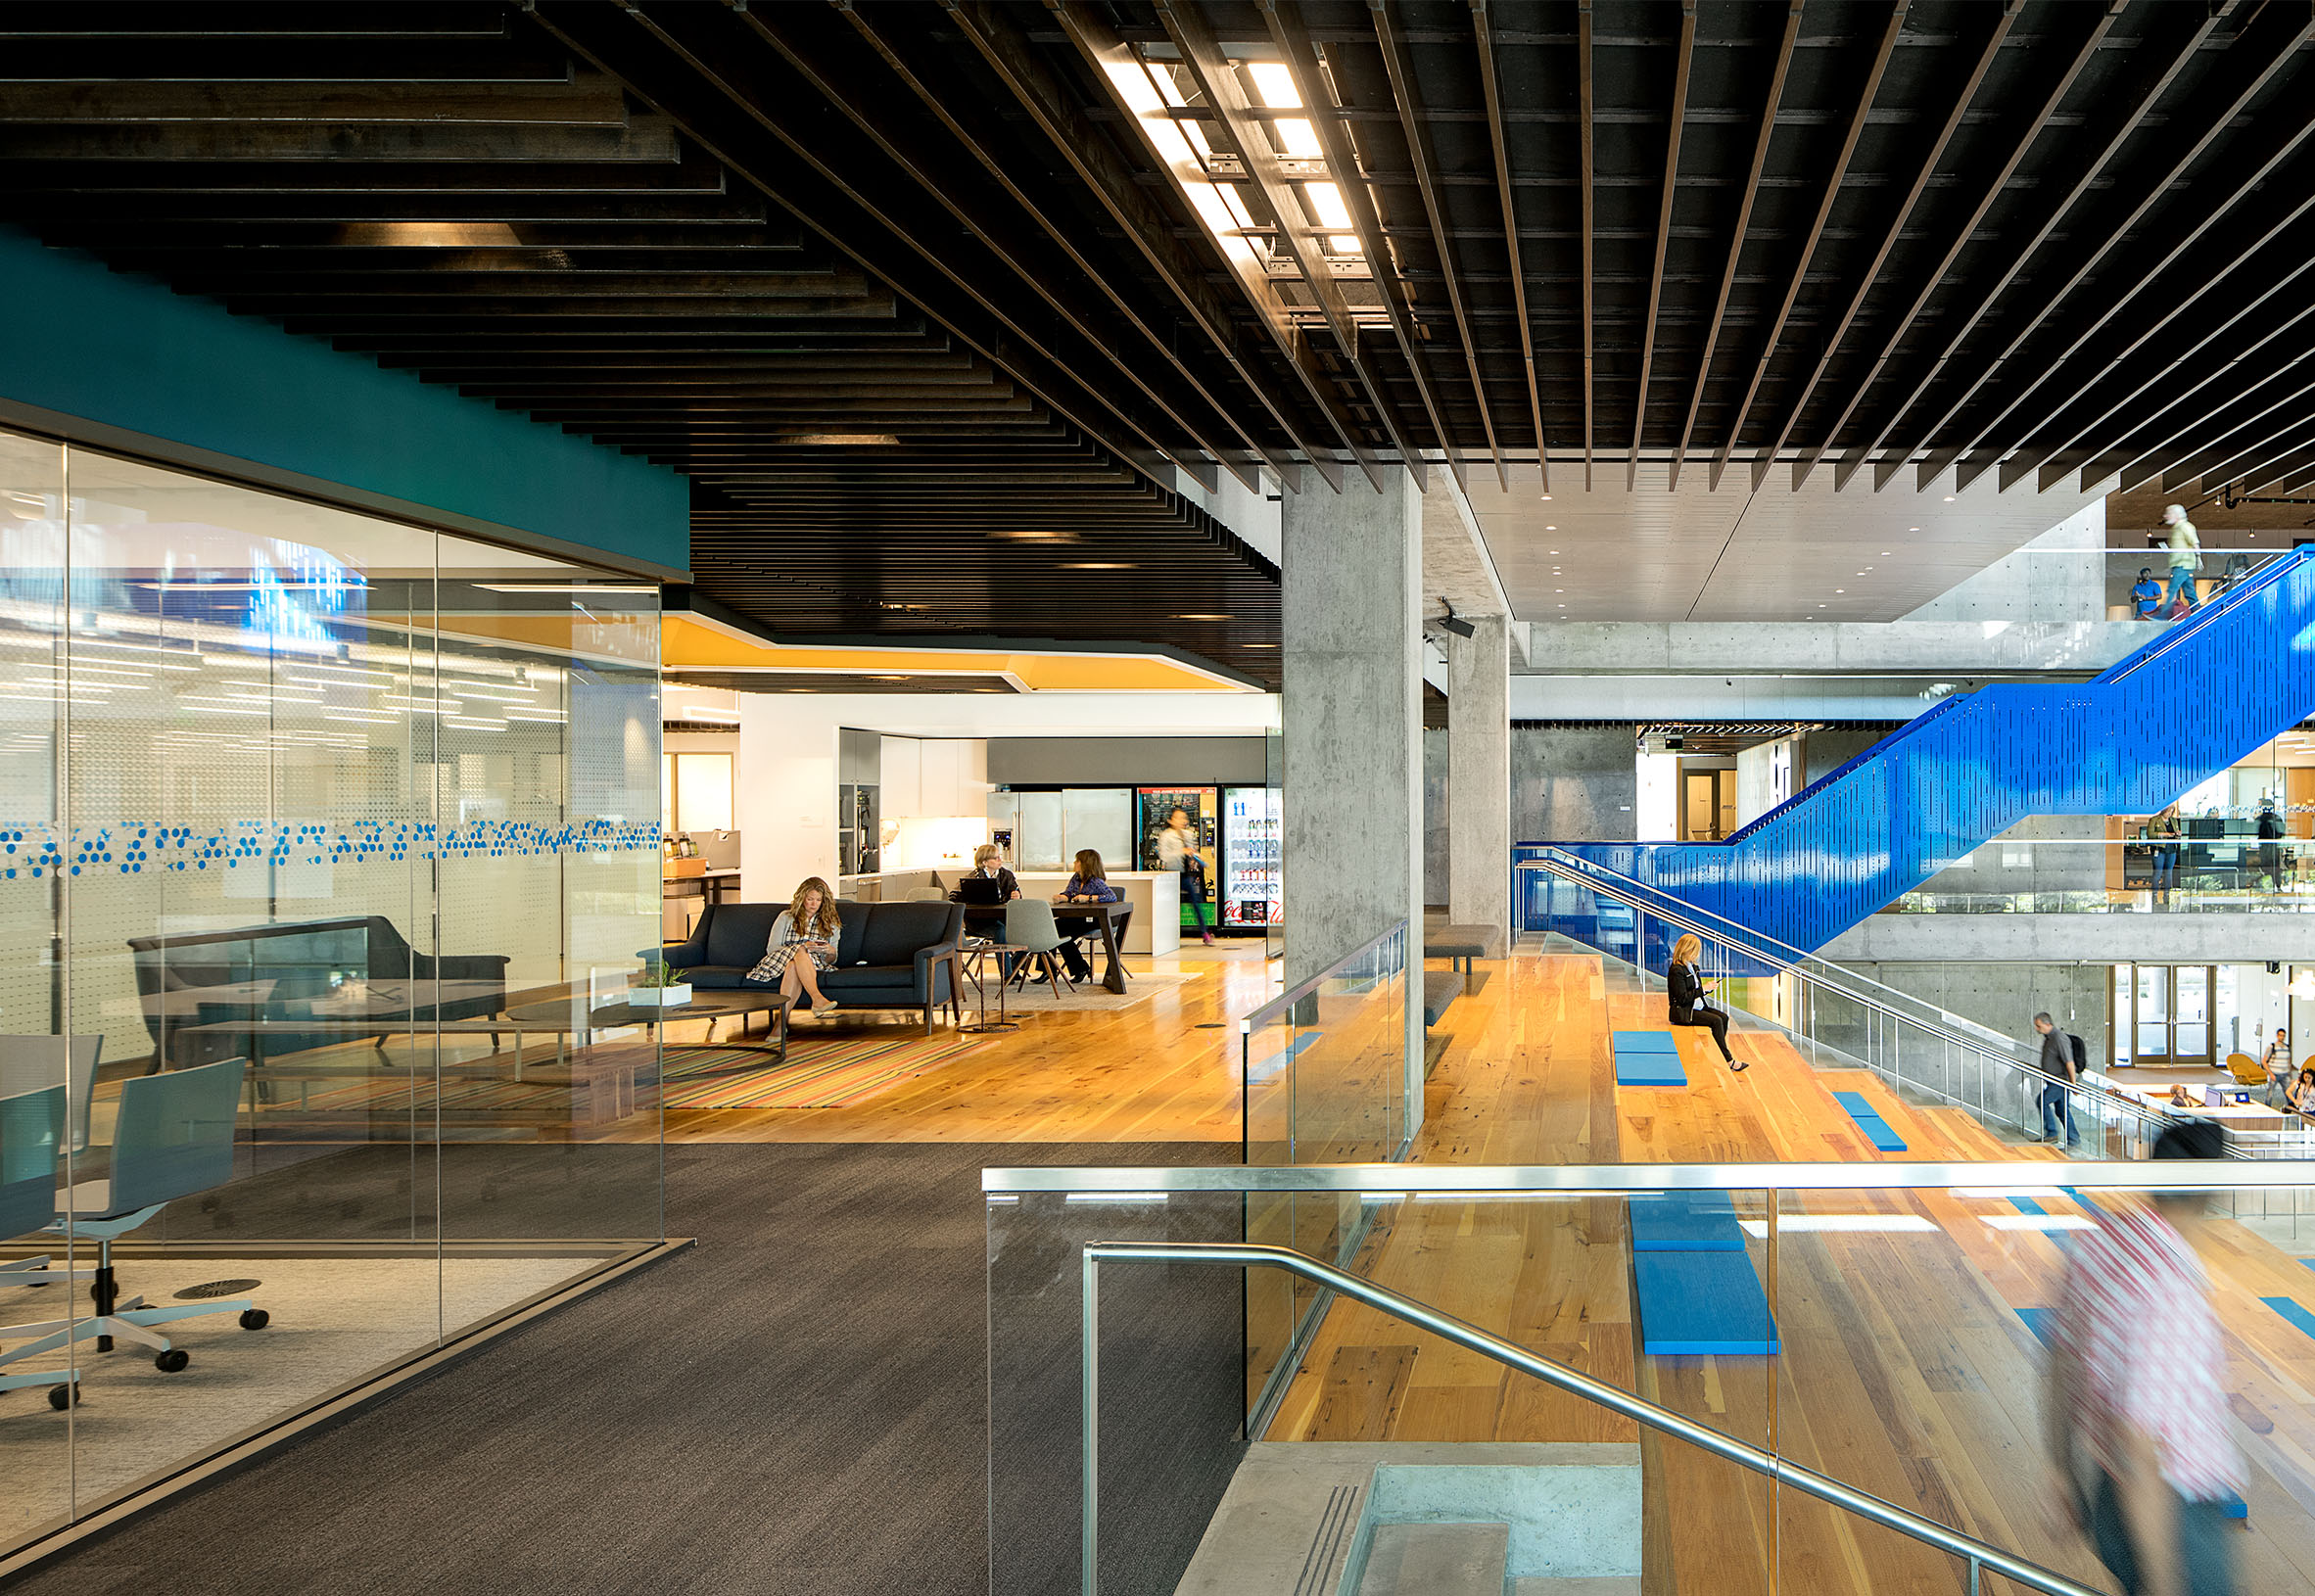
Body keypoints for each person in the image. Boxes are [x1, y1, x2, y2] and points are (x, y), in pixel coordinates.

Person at [2046, 1118, 2242, 1596]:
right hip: (2174, 1523)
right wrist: (2164, 1581)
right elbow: (2139, 1447)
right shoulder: (2173, 1295)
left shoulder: (2104, 1238)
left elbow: (2062, 1359)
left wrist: (2060, 1466)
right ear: (2211, 1192)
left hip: (2109, 1500)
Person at [745, 876, 842, 1014]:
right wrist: (801, 949)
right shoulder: (786, 917)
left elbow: (831, 960)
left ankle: (781, 1023)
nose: (814, 904)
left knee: (794, 965)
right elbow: (772, 948)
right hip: (779, 961)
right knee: (800, 950)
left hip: (813, 964)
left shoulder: (831, 923)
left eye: (818, 900)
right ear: (802, 898)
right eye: (810, 899)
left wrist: (830, 951)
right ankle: (817, 998)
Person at [1666, 932, 1746, 1072]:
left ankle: (1719, 1052)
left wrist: (1708, 988)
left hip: (1698, 1006)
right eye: (1695, 951)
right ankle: (1728, 1060)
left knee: (1724, 1017)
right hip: (1684, 1011)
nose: (1697, 955)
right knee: (1716, 1021)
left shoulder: (1693, 967)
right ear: (1687, 950)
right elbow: (1682, 998)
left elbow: (1695, 990)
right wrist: (1703, 989)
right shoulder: (1676, 970)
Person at [1049, 847, 1118, 984]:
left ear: (1084, 863)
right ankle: (1050, 970)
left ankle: (1072, 969)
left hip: (1092, 919)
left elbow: (1112, 897)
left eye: (1077, 861)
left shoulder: (1096, 881)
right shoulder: (1075, 878)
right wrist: (1062, 897)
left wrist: (1089, 898)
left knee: (1057, 931)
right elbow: (1070, 893)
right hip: (1076, 918)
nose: (1074, 863)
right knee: (1051, 929)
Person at [1158, 806, 1215, 946]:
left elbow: (1191, 850)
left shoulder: (1187, 834)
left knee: (1196, 903)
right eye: (1179, 818)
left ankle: (1205, 932)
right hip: (1170, 876)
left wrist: (1197, 856)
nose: (1182, 820)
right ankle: (1165, 934)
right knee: (1169, 906)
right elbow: (1164, 856)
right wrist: (1182, 851)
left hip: (1184, 875)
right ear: (1171, 820)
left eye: (1184, 818)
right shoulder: (1166, 836)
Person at [2033, 1011, 2080, 1149]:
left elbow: (2069, 1062)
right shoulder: (2049, 1038)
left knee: (2042, 1101)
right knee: (2062, 1110)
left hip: (2060, 1081)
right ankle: (2074, 1140)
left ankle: (2052, 1133)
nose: (2037, 1029)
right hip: (2053, 1080)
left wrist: (2073, 1084)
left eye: (2039, 1026)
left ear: (2048, 1024)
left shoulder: (2059, 1038)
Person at [2160, 504, 2200, 617]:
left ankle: (2164, 615)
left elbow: (2194, 542)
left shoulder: (2185, 526)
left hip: (2183, 564)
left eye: (2169, 513)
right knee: (2190, 592)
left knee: (2172, 589)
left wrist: (2198, 557)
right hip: (2180, 563)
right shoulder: (2176, 528)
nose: (2166, 516)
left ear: (2176, 515)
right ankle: (2198, 614)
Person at [2150, 810, 2181, 909]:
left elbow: (2177, 835)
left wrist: (2177, 835)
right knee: (2158, 872)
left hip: (2171, 849)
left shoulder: (2174, 821)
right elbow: (2150, 835)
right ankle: (2154, 894)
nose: (2169, 814)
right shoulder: (2155, 820)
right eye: (2168, 812)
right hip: (2159, 849)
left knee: (2169, 872)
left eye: (2171, 812)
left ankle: (2167, 894)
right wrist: (2164, 835)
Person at [2256, 796, 2286, 892]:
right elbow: (2281, 832)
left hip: (2264, 847)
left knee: (2266, 867)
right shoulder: (2276, 818)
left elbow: (2256, 834)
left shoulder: (2260, 819)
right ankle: (2277, 886)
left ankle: (2267, 887)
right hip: (2274, 847)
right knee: (2275, 867)